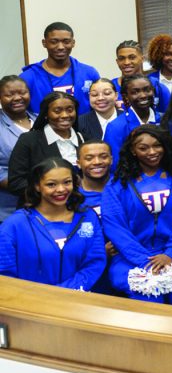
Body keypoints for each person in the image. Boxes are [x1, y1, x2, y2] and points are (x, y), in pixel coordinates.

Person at [102, 124, 172, 305]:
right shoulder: (117, 184)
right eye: (143, 148)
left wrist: (170, 253)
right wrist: (146, 262)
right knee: (149, 299)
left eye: (157, 145)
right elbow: (115, 228)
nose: (152, 152)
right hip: (130, 258)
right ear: (132, 150)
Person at [0, 156, 105, 290]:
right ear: (37, 186)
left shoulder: (88, 217)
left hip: (76, 300)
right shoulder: (15, 224)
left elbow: (94, 262)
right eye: (51, 184)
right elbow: (4, 272)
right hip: (29, 303)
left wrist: (65, 291)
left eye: (67, 182)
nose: (61, 189)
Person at [8, 91, 83, 199]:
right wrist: (50, 190)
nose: (65, 115)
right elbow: (16, 183)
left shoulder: (84, 138)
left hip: (81, 206)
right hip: (42, 208)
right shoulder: (29, 140)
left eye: (70, 110)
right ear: (46, 114)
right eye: (57, 111)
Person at [21, 22, 101, 115]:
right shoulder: (28, 78)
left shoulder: (89, 73)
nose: (60, 47)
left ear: (73, 43)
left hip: (84, 128)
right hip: (43, 129)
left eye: (66, 42)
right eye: (54, 42)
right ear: (44, 43)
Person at [0, 76, 34, 217]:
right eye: (9, 94)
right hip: (8, 208)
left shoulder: (41, 121)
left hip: (46, 205)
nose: (17, 98)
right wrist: (30, 190)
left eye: (22, 92)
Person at [104, 75, 161, 155]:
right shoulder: (116, 127)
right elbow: (115, 163)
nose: (143, 95)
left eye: (147, 90)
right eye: (135, 92)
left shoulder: (166, 120)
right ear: (126, 97)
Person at [112, 40, 171, 113]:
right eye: (121, 58)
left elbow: (169, 118)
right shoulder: (111, 88)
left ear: (142, 59)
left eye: (132, 57)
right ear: (117, 61)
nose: (126, 62)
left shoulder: (156, 85)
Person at [75, 139, 113, 219]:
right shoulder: (74, 197)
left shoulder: (125, 186)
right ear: (78, 164)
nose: (97, 162)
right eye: (89, 158)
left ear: (111, 160)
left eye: (103, 157)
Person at [78, 78, 120, 142]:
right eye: (94, 95)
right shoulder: (80, 123)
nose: (100, 98)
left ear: (116, 95)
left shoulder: (128, 119)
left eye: (107, 93)